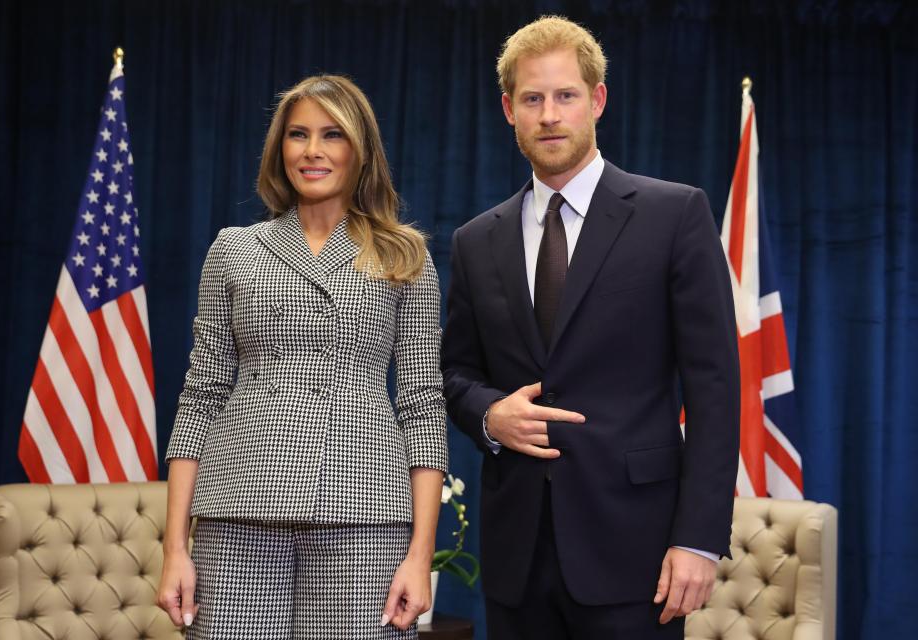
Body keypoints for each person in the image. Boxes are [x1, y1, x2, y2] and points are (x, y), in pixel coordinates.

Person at [441, 16, 740, 640]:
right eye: (532, 98)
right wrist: (490, 415)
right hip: (517, 559)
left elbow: (714, 386)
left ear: (596, 100)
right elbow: (458, 374)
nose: (550, 114)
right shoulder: (475, 241)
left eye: (565, 95)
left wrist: (699, 540)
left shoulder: (674, 214)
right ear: (508, 110)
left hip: (639, 554)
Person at [157, 74, 448, 639]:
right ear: (279, 149)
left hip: (365, 514)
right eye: (298, 135)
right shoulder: (234, 251)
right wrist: (174, 547)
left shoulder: (404, 256)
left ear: (359, 152)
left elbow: (422, 405)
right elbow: (200, 398)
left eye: (331, 135)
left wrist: (420, 553)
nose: (312, 151)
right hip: (239, 509)